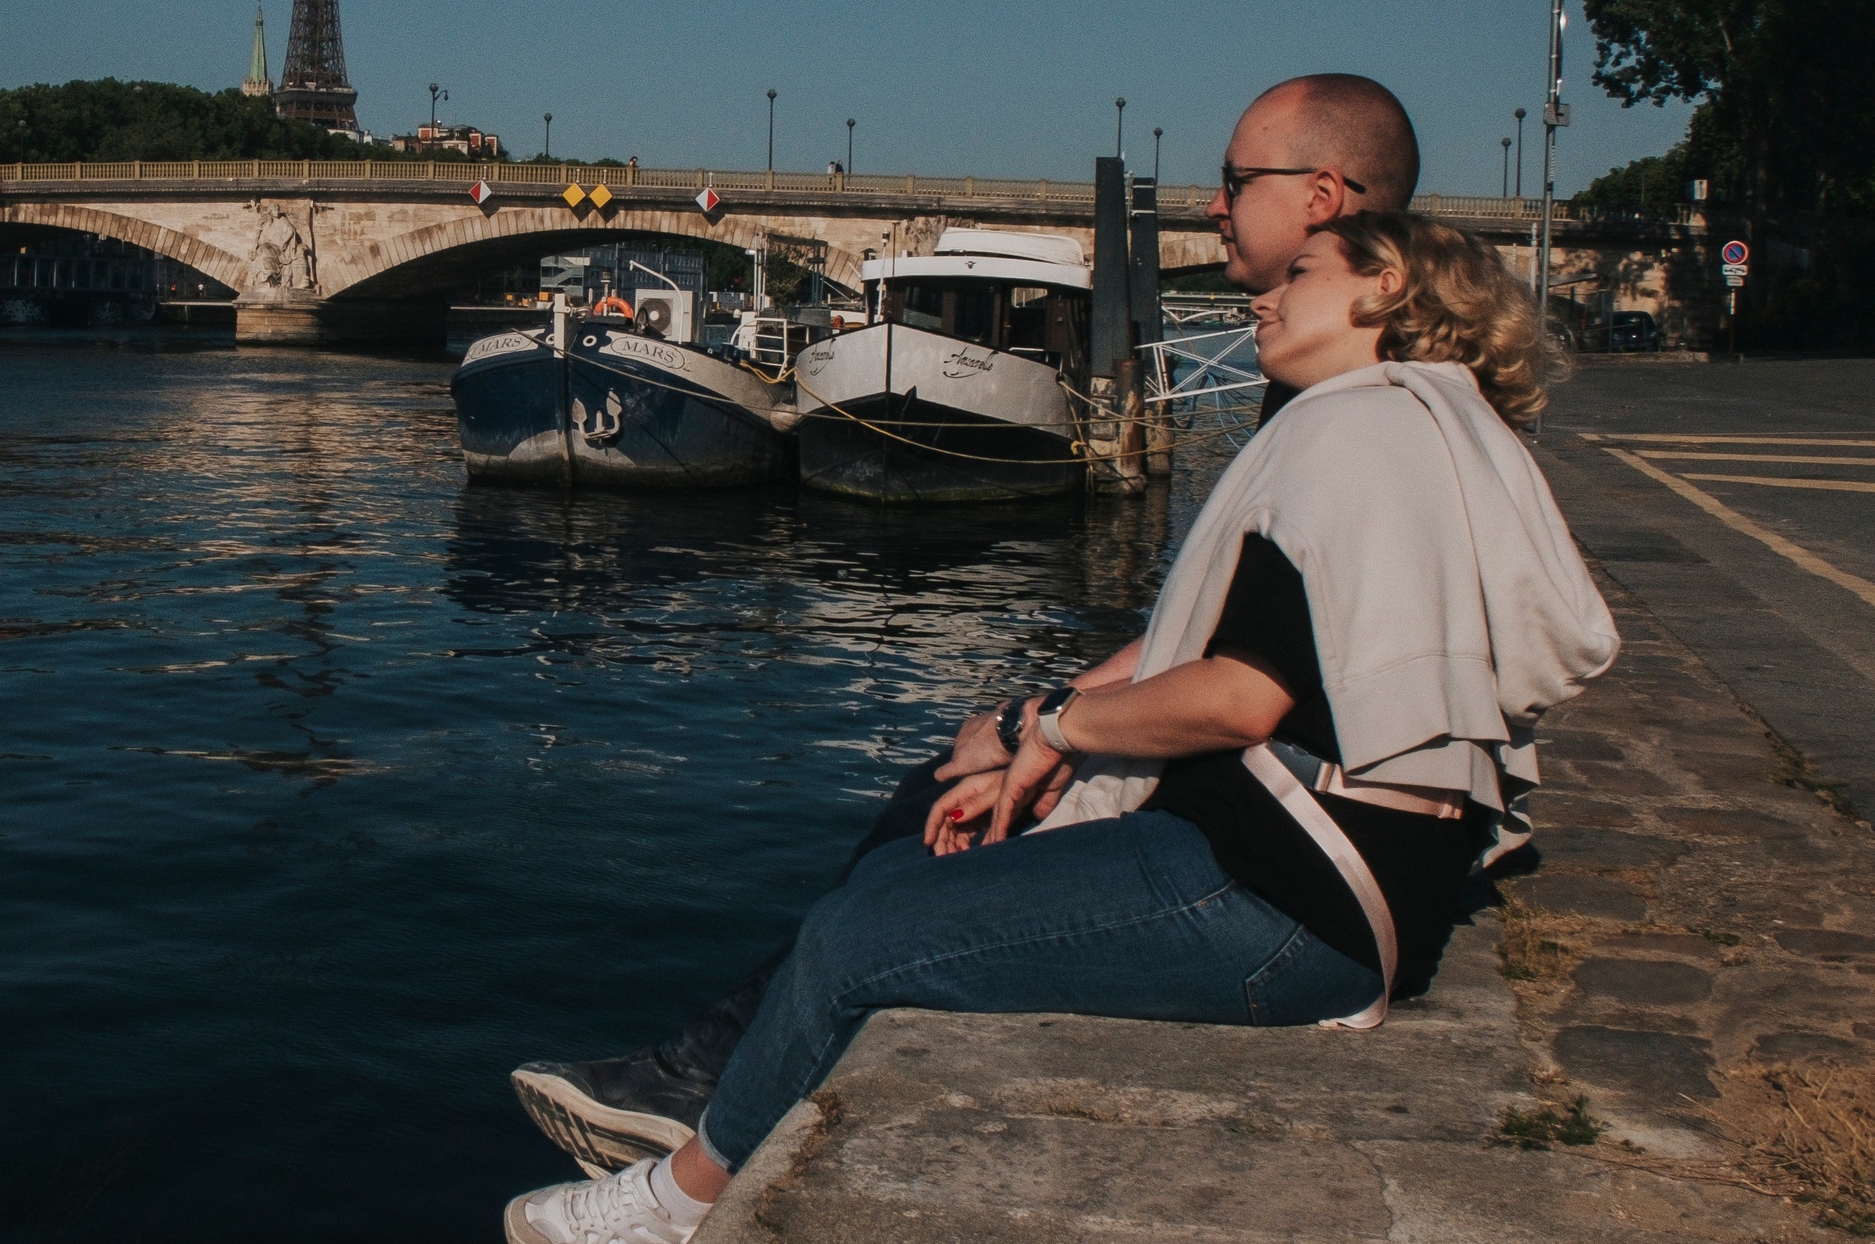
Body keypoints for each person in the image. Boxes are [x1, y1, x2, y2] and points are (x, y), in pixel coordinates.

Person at [503, 208, 1619, 1244]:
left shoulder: (1360, 434)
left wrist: (1056, 736)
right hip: (1297, 868)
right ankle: (696, 1222)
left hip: (1294, 899)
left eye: (1301, 275)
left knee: (859, 939)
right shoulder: (1414, 426)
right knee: (895, 893)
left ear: (1383, 286)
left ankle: (675, 1201)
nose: (1260, 300)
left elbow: (1243, 691)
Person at [509, 72, 1423, 1176]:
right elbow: (1218, 627)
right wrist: (1037, 714)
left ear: (1321, 196)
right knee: (935, 797)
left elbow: (1247, 677)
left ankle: (692, 1153)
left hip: (1285, 872)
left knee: (894, 893)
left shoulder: (1361, 406)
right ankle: (711, 1068)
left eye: (1233, 182)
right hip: (1260, 830)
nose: (1211, 208)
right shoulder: (1330, 383)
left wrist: (1053, 729)